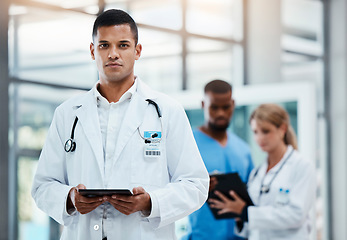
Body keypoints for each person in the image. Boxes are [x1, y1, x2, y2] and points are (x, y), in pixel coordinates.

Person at [31, 9, 209, 240]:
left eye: (123, 45)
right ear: (93, 51)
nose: (113, 54)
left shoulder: (167, 111)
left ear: (137, 51)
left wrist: (151, 202)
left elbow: (196, 184)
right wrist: (69, 198)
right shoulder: (67, 114)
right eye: (104, 45)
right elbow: (42, 185)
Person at [209, 103, 316, 240]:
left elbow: (296, 215)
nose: (259, 138)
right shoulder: (257, 173)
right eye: (255, 132)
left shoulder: (301, 166)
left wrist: (245, 212)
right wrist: (240, 217)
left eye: (265, 131)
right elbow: (252, 224)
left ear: (282, 129)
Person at [183, 80, 254, 240]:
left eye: (226, 107)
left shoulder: (242, 149)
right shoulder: (188, 144)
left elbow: (253, 195)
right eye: (214, 108)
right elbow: (172, 188)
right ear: (203, 105)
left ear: (233, 104)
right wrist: (199, 185)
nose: (221, 113)